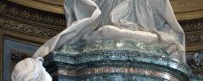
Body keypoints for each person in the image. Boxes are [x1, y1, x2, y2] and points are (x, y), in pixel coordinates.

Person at [33, 0, 185, 62]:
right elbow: (84, 20)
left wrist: (158, 39)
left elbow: (174, 38)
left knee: (108, 31)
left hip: (145, 44)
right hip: (100, 39)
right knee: (106, 32)